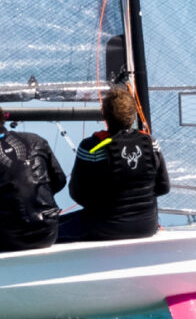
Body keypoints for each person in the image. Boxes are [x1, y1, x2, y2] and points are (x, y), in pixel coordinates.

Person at [57, 86, 169, 243]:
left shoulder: (91, 146)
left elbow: (77, 194)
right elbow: (163, 187)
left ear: (105, 115)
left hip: (105, 227)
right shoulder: (151, 143)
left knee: (45, 230)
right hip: (147, 225)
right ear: (132, 115)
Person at [0, 97, 63, 253]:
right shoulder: (36, 140)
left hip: (9, 238)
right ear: (2, 119)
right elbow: (59, 181)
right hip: (48, 232)